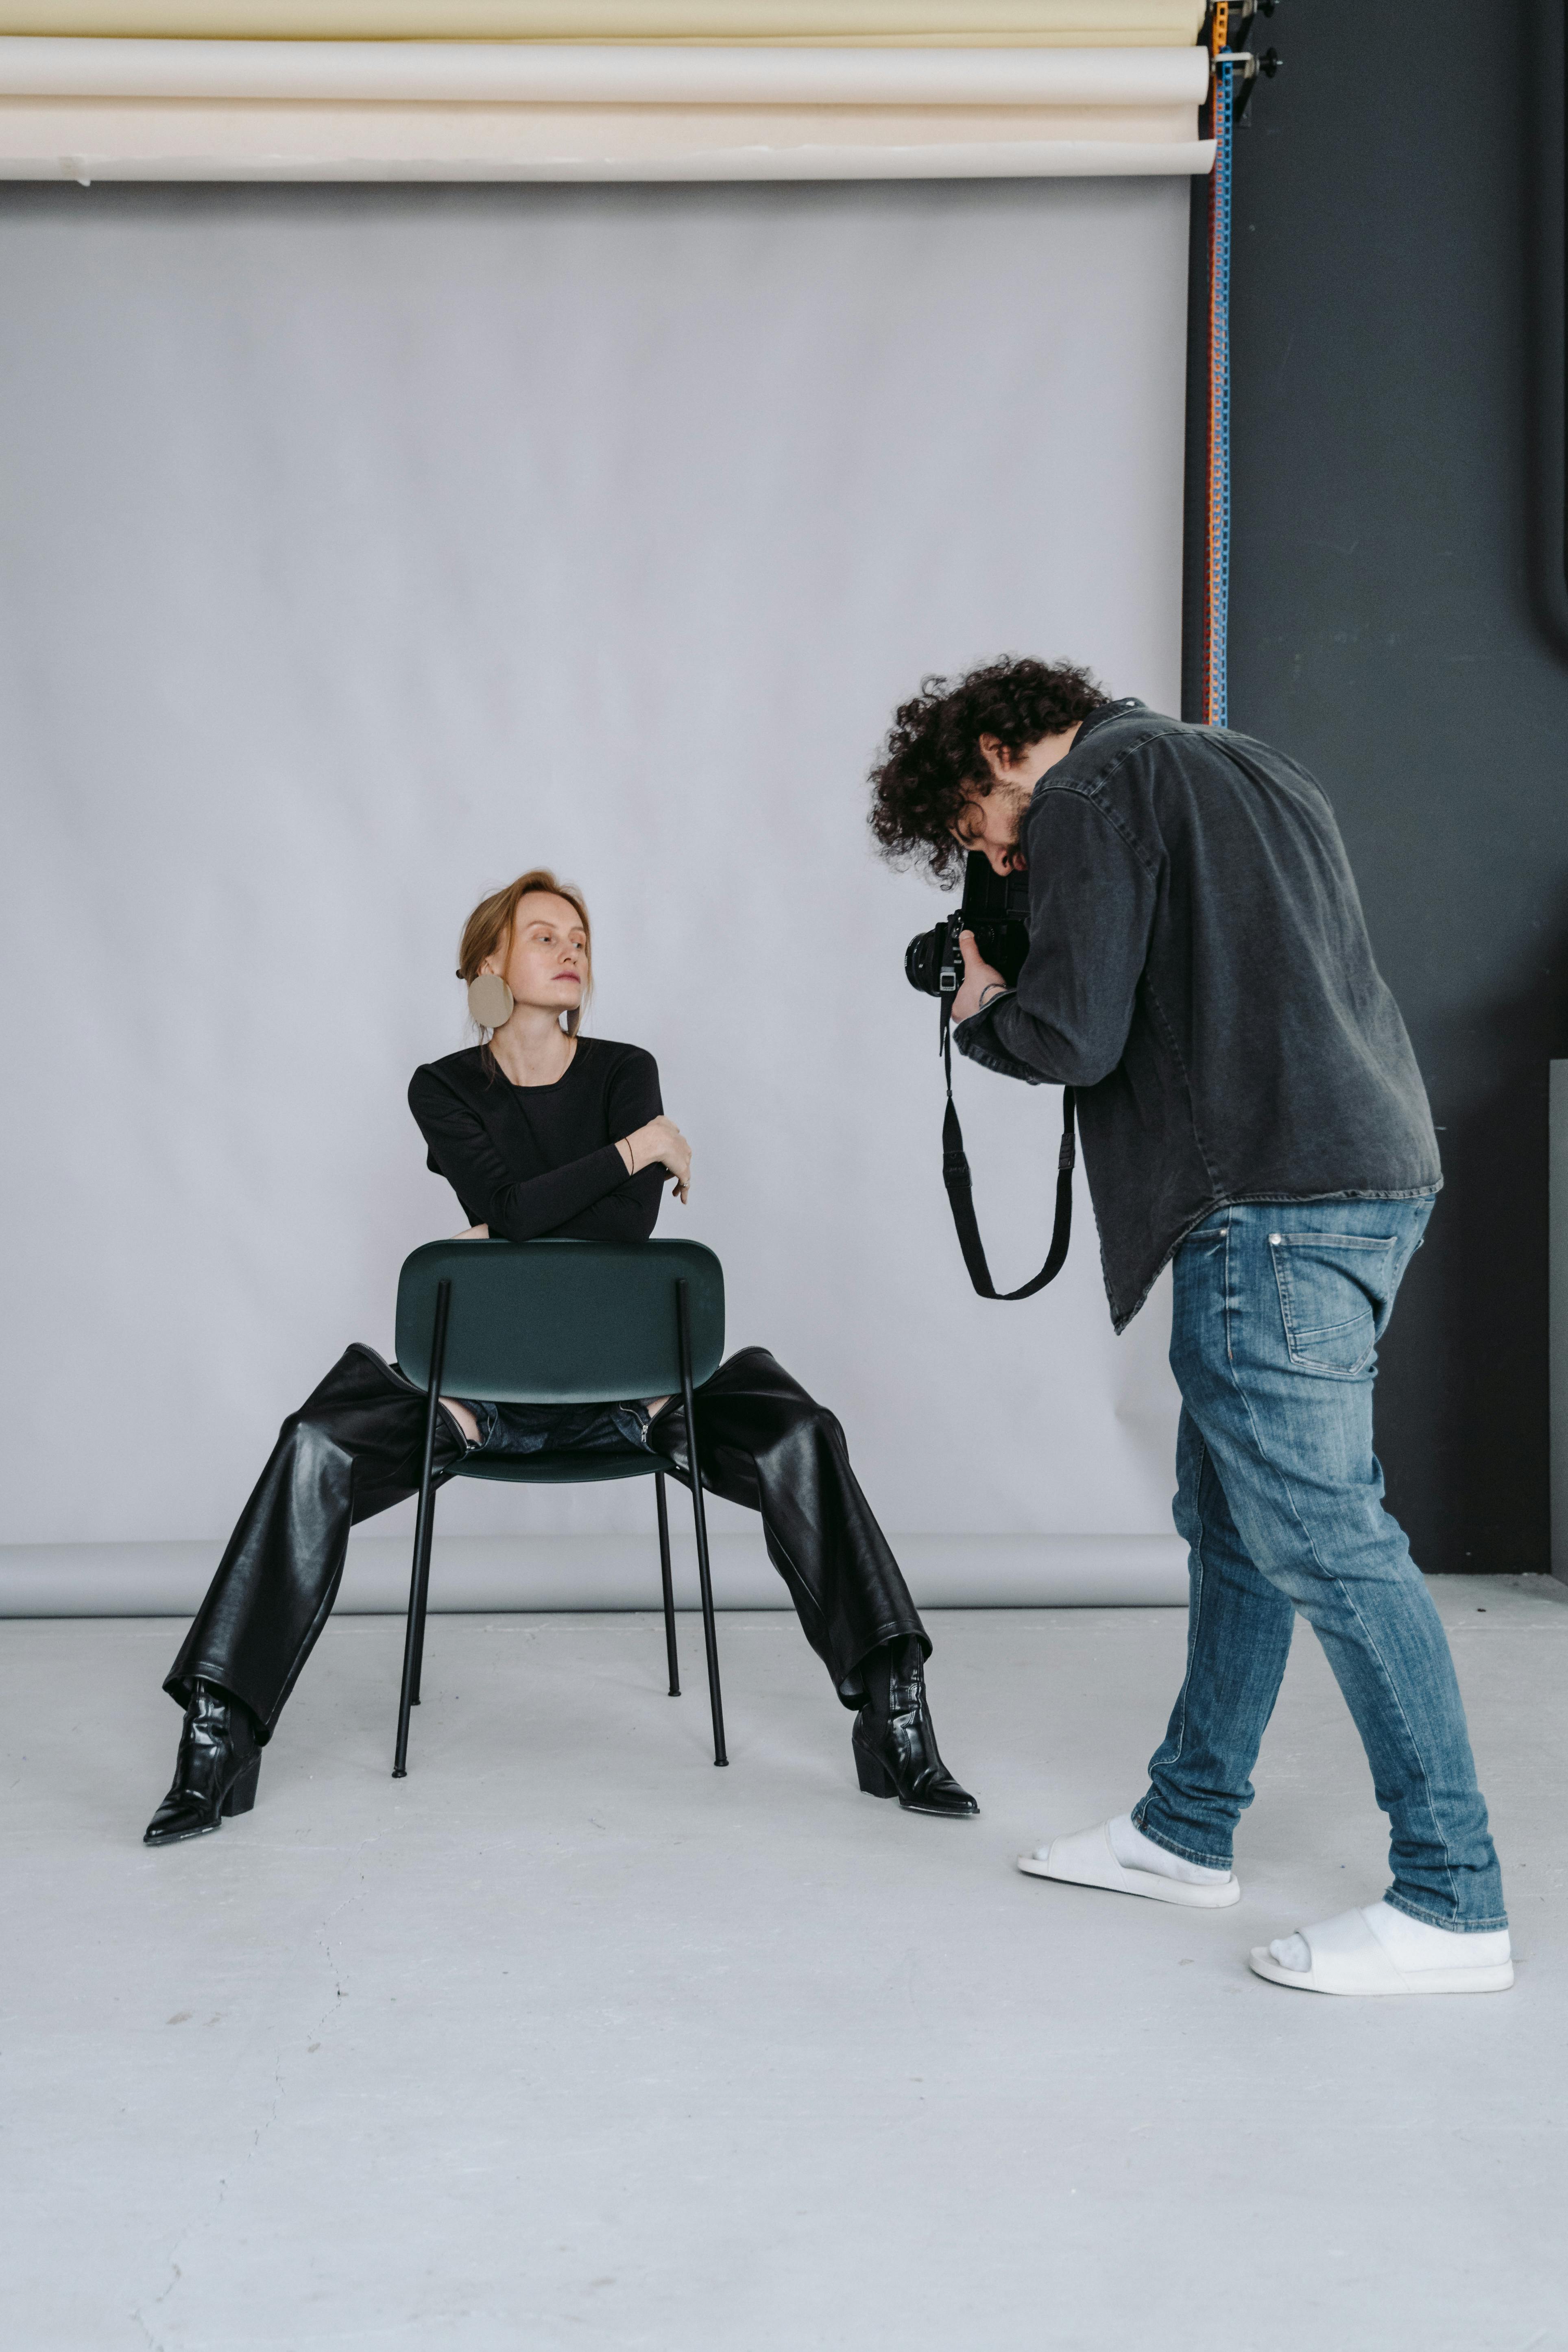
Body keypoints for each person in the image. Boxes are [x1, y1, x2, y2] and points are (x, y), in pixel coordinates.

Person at [868, 659, 1511, 1998]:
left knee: (1326, 1537)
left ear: (999, 747)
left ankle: (1451, 1901)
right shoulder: (1240, 762)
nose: (987, 851)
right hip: (1362, 1167)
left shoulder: (1088, 787)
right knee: (1236, 1522)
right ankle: (1184, 1827)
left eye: (974, 822)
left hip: (1264, 1200)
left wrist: (983, 1010)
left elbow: (1075, 1040)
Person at [144, 868, 977, 1846]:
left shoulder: (627, 1068)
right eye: (543, 934)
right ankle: (216, 1740)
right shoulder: (444, 1086)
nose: (569, 947)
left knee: (799, 1429)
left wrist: (520, 1210)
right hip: (477, 1401)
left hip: (639, 1398)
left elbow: (618, 1233)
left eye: (578, 934)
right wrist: (634, 1153)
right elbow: (522, 1212)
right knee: (313, 1443)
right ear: (490, 962)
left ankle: (896, 1718)